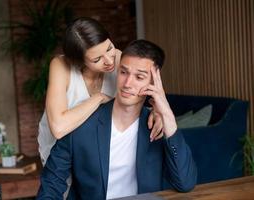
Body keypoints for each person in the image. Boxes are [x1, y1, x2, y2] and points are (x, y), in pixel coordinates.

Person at [37, 40, 197, 200]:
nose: (127, 83)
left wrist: (167, 116)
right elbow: (51, 186)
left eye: (139, 77)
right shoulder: (82, 124)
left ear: (154, 83)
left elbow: (185, 183)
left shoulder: (157, 127)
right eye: (123, 72)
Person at [38, 17, 163, 165]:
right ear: (79, 61)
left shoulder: (117, 57)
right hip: (60, 153)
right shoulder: (61, 66)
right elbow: (59, 128)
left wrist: (156, 109)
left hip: (97, 151)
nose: (109, 61)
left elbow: (149, 84)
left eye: (109, 48)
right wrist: (98, 98)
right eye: (97, 59)